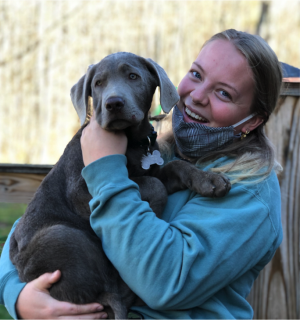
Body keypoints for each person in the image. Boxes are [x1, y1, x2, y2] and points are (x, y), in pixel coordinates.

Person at [0, 29, 283, 320]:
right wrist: (18, 296)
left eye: (224, 92)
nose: (197, 96)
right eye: (196, 75)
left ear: (255, 119)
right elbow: (30, 226)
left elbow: (163, 282)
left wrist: (105, 167)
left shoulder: (249, 194)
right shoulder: (156, 148)